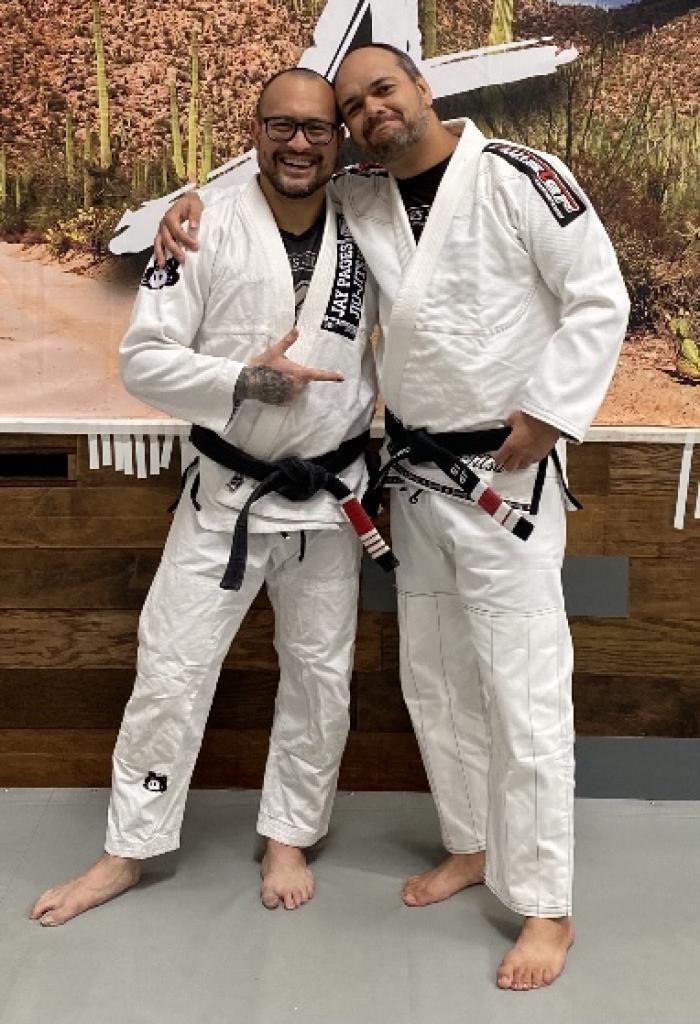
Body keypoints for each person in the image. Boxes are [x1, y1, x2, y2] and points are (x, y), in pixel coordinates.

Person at [153, 44, 629, 991]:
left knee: (523, 689)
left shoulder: (520, 176)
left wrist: (551, 410)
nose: (370, 111)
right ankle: (472, 844)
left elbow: (598, 295)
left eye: (384, 89)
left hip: (504, 472)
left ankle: (547, 906)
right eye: (353, 105)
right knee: (435, 677)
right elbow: (276, 186)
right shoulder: (362, 195)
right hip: (410, 475)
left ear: (421, 86)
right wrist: (186, 200)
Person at [30, 67, 387, 927]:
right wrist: (244, 380)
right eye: (281, 125)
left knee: (320, 677)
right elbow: (143, 361)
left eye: (317, 128)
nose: (298, 143)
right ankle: (129, 846)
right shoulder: (200, 227)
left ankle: (289, 833)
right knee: (171, 669)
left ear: (339, 140)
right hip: (225, 497)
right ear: (254, 131)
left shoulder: (371, 224)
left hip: (330, 501)